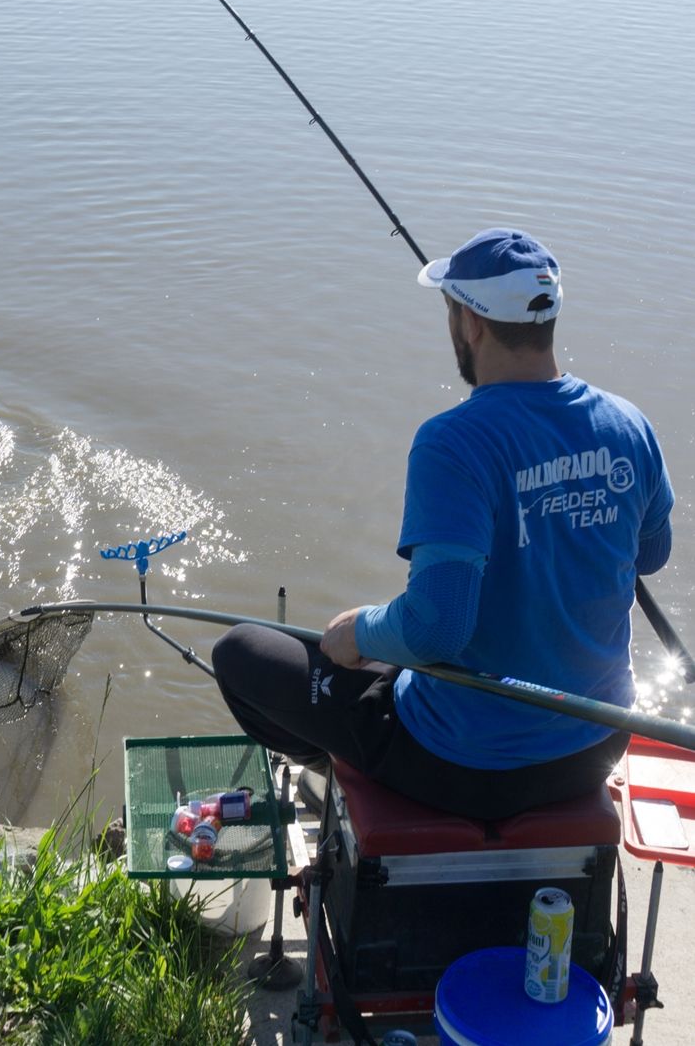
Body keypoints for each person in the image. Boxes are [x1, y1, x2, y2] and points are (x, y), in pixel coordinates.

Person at [213, 228, 674, 818]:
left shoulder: (453, 442)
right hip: (597, 744)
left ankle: (344, 773)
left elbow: (438, 630)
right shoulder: (628, 424)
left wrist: (359, 630)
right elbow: (651, 554)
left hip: (466, 764)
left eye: (449, 309)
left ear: (471, 324)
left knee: (240, 652)